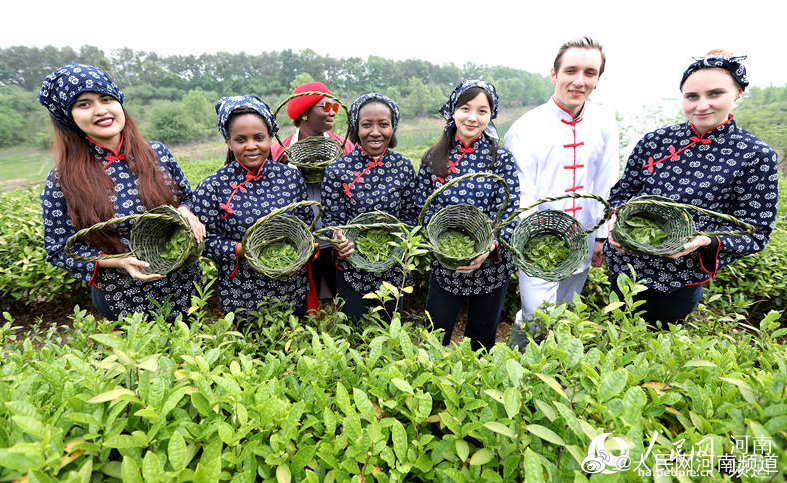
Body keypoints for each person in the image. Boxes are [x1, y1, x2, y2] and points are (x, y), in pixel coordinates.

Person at [604, 51, 779, 326]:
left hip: (679, 276)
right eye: (692, 96)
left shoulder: (755, 155)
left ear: (738, 93)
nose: (701, 105)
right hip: (624, 263)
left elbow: (756, 232)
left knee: (657, 343)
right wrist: (615, 216)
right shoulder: (656, 141)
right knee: (617, 329)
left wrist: (705, 241)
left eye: (715, 94)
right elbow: (624, 191)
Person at [37, 63, 205, 321]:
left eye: (106, 99)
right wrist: (118, 261)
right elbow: (59, 249)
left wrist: (186, 211)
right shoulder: (62, 179)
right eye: (84, 104)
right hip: (123, 293)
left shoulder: (157, 153)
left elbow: (187, 198)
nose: (101, 110)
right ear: (68, 116)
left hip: (185, 283)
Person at [503, 36, 619, 344]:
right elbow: (521, 194)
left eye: (589, 73)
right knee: (536, 314)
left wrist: (602, 236)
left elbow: (607, 180)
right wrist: (530, 242)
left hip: (584, 235)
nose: (579, 81)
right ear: (554, 74)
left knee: (566, 311)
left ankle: (553, 376)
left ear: (597, 79)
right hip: (537, 242)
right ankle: (515, 369)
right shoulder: (526, 127)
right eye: (571, 70)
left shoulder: (605, 122)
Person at [415, 80, 520, 351]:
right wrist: (441, 244)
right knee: (435, 334)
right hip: (447, 259)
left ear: (491, 116)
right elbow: (422, 208)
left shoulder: (501, 160)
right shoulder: (433, 159)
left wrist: (489, 246)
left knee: (482, 339)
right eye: (465, 108)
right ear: (453, 111)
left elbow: (510, 211)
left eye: (482, 111)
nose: (472, 117)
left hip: (491, 262)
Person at [190, 95, 313, 316]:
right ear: (229, 142)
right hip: (242, 293)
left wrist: (306, 247)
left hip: (292, 287)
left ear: (270, 138)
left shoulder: (290, 177)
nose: (251, 146)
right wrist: (241, 249)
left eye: (259, 138)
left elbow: (305, 225)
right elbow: (203, 242)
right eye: (241, 140)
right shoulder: (213, 186)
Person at [320, 93, 418, 321]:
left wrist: (403, 241)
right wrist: (338, 238)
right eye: (367, 125)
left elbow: (411, 215)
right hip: (352, 262)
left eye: (383, 124)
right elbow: (332, 219)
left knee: (389, 325)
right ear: (356, 128)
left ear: (393, 127)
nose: (375, 132)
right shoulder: (337, 169)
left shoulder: (403, 166)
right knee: (355, 327)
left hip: (393, 263)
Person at [271, 82, 354, 309]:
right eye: (324, 106)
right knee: (310, 275)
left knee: (336, 273)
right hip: (303, 225)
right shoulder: (282, 150)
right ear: (305, 114)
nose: (332, 110)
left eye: (333, 105)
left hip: (336, 223)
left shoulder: (342, 145)